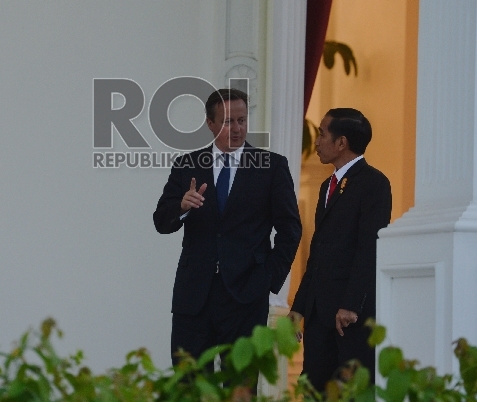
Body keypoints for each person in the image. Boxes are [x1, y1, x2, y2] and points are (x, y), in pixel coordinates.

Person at [153, 88, 302, 367]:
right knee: (189, 384)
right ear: (210, 124)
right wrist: (182, 207)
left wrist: (268, 278)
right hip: (194, 295)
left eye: (242, 120)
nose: (236, 129)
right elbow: (161, 220)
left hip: (246, 296)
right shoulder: (188, 165)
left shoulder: (271, 167)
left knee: (240, 386)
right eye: (227, 122)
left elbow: (290, 229)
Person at [289, 108, 391, 389]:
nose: (317, 141)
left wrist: (350, 305)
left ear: (341, 142)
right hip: (320, 313)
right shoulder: (326, 186)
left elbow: (369, 247)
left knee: (348, 391)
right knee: (314, 389)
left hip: (349, 318)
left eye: (322, 134)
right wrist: (299, 308)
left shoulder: (374, 184)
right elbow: (318, 251)